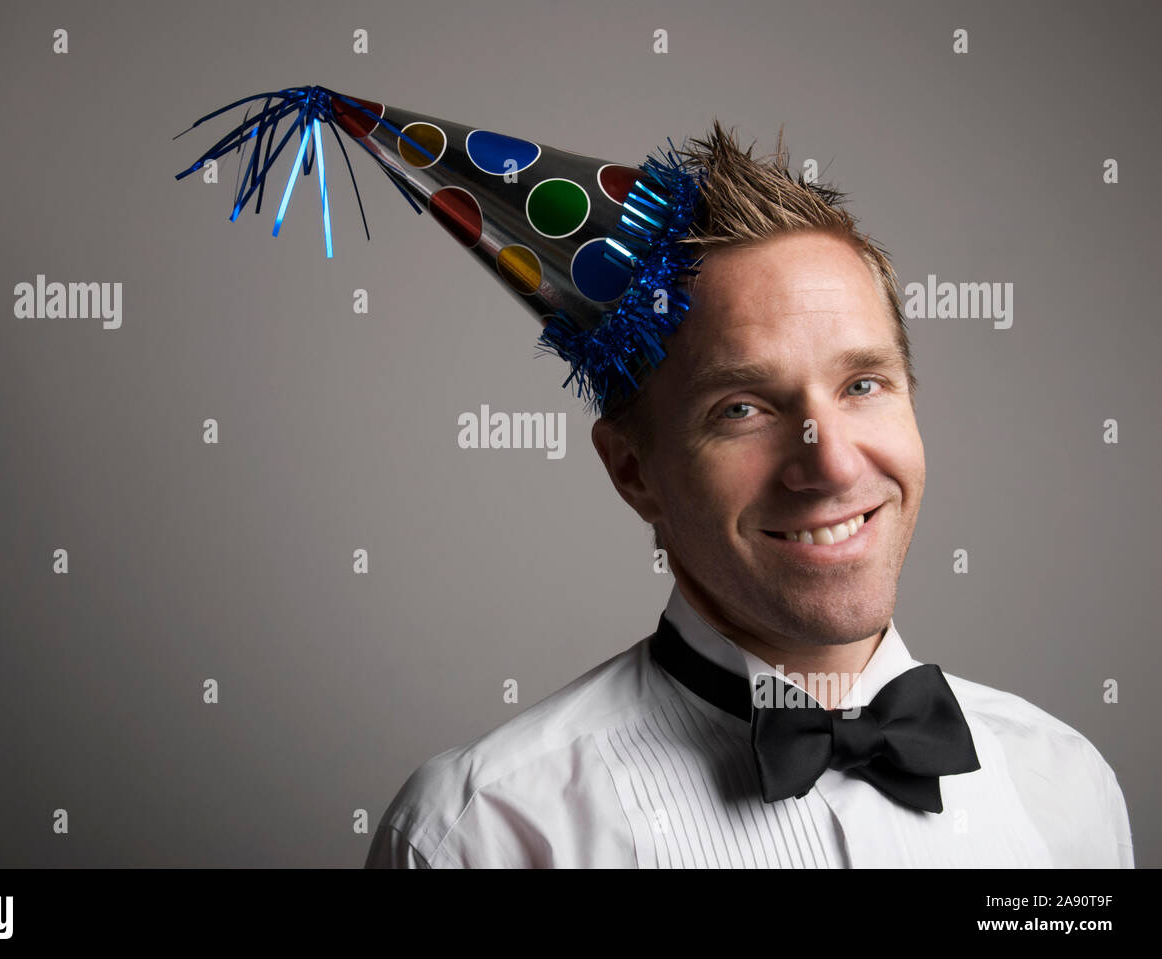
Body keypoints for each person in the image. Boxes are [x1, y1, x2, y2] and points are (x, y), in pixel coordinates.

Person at [363, 120, 1134, 868]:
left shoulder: (1064, 785)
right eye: (742, 409)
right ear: (635, 472)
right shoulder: (484, 835)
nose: (830, 463)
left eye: (863, 383)